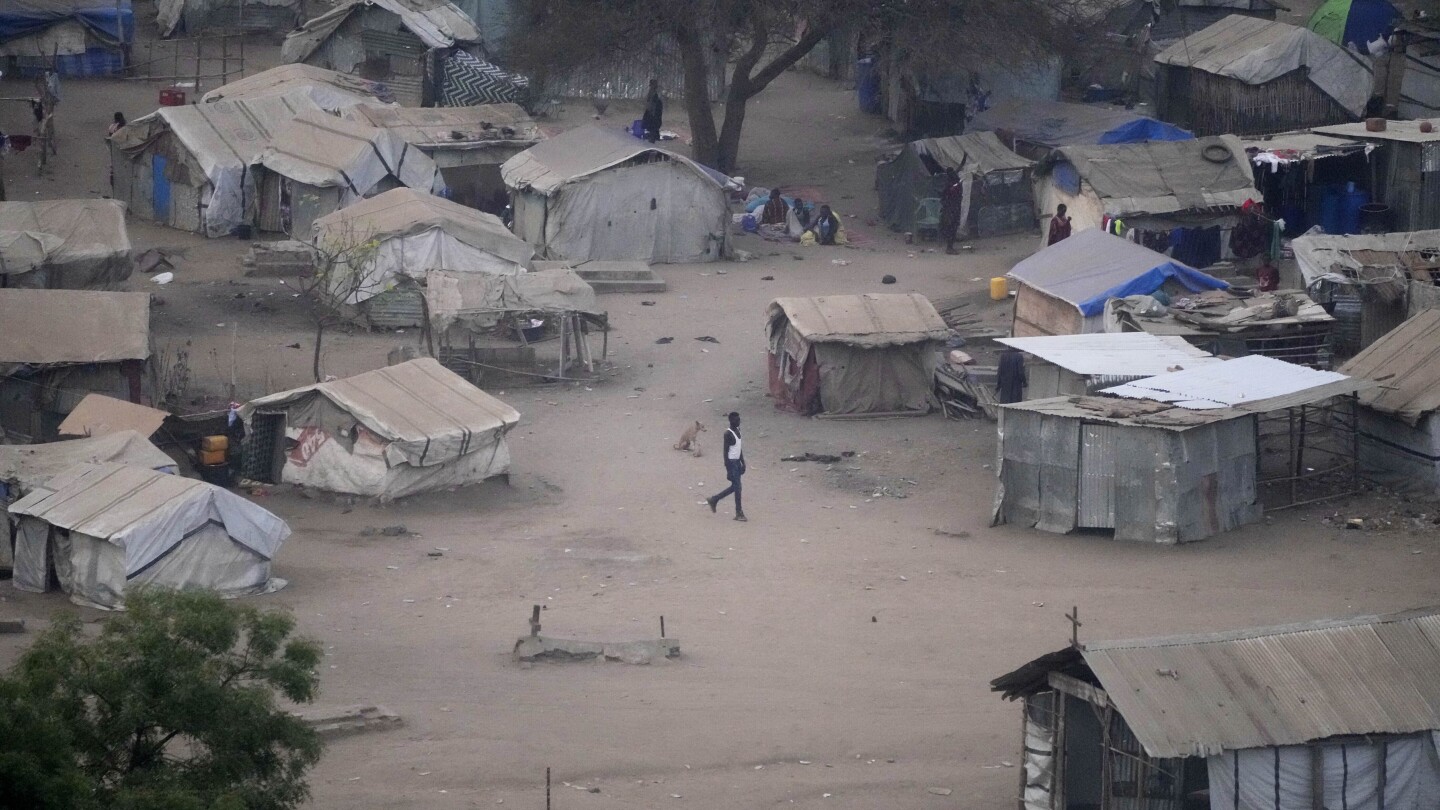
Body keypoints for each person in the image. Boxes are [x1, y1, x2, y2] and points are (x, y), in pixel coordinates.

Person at [706, 412, 747, 522]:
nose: (738, 421)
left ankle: (714, 499)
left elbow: (739, 448)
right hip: (732, 463)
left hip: (737, 462)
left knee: (736, 487)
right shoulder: (727, 434)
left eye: (739, 419)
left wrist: (743, 462)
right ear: (731, 421)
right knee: (737, 488)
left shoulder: (738, 431)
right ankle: (739, 512)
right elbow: (725, 452)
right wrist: (728, 469)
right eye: (736, 420)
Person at [939, 168, 963, 254]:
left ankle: (950, 246)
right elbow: (944, 195)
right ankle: (949, 247)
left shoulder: (953, 182)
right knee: (951, 228)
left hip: (953, 209)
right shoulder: (949, 184)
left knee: (953, 227)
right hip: (950, 209)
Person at [641, 79, 663, 143]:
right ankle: (652, 138)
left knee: (653, 126)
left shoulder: (656, 92)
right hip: (654, 111)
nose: (651, 86)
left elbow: (653, 103)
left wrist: (650, 110)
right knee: (653, 126)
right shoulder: (653, 92)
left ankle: (652, 139)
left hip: (654, 111)